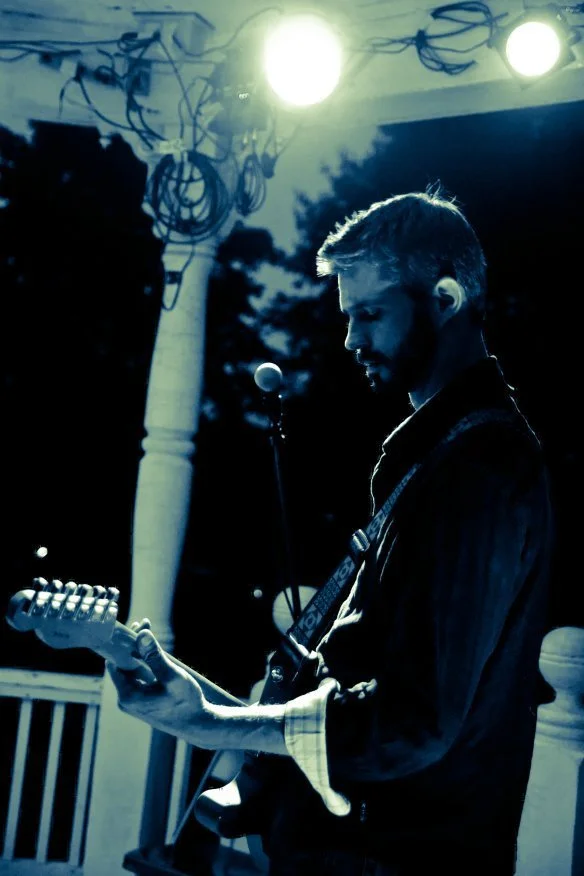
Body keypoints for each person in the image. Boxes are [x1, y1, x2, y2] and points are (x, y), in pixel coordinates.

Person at [108, 188, 553, 876]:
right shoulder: (435, 460)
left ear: (446, 299)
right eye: (348, 317)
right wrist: (203, 705)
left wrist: (206, 722)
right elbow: (360, 687)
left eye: (370, 314)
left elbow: (411, 725)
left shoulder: (480, 468)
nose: (351, 340)